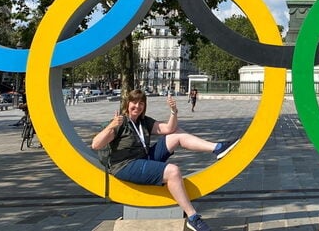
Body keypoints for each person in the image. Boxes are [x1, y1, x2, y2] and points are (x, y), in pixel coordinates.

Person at [91, 89, 238, 231]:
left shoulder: (143, 122)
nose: (137, 106)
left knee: (177, 134)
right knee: (172, 172)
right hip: (125, 166)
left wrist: (173, 111)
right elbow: (96, 144)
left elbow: (168, 128)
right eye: (134, 103)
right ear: (127, 104)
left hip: (143, 158)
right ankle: (193, 218)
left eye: (141, 103)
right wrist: (112, 125)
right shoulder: (120, 122)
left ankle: (217, 148)